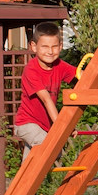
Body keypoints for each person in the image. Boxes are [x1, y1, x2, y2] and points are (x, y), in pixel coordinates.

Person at [13, 21, 77, 161]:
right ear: (34, 46)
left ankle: (25, 176)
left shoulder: (59, 66)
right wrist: (63, 127)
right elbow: (47, 100)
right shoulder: (31, 69)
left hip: (44, 127)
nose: (50, 51)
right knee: (51, 149)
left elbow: (81, 76)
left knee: (32, 163)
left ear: (60, 46)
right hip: (27, 124)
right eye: (45, 47)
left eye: (54, 46)